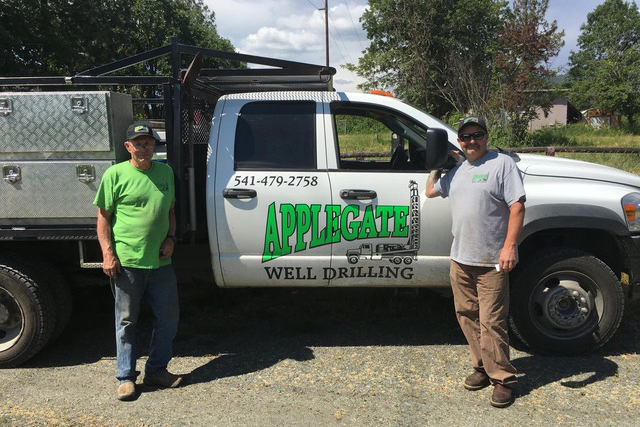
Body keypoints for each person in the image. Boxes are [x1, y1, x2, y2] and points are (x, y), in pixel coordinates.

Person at [425, 116, 525, 408]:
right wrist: (437, 166)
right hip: (461, 258)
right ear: (459, 142)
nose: (471, 141)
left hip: (492, 260)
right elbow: (431, 191)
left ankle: (503, 379)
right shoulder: (457, 171)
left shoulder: (501, 164)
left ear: (486, 135)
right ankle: (482, 366)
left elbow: (517, 207)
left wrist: (509, 247)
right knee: (467, 315)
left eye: (476, 135)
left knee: (493, 320)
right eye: (465, 137)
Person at [94, 122, 182, 401]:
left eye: (148, 143)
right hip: (128, 262)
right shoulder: (115, 174)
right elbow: (103, 219)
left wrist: (171, 237)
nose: (144, 148)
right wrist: (108, 254)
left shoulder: (165, 172)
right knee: (127, 322)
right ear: (128, 147)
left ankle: (156, 371)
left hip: (160, 263)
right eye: (138, 143)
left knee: (168, 318)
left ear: (155, 146)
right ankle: (125, 378)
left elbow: (170, 211)